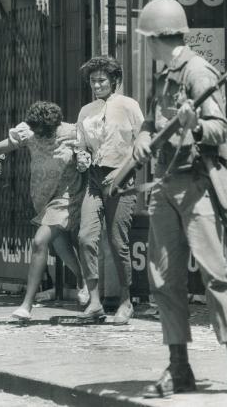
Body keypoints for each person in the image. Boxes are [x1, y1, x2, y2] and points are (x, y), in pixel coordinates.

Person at [133, 0, 227, 397]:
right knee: (164, 279)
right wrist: (141, 138)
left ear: (155, 38)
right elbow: (151, 124)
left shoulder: (198, 71)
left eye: (145, 40)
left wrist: (196, 125)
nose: (145, 47)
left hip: (197, 185)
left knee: (215, 275)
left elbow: (220, 129)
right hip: (165, 186)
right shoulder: (163, 77)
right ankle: (178, 366)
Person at [0, 101, 89, 320]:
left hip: (67, 195)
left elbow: (93, 149)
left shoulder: (72, 132)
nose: (41, 137)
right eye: (37, 133)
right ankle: (83, 278)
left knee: (39, 241)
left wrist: (82, 150)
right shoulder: (28, 132)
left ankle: (26, 304)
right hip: (42, 197)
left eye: (45, 133)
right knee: (60, 243)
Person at [76, 56, 144, 325]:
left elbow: (143, 141)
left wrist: (126, 169)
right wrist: (80, 156)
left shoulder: (129, 106)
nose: (97, 84)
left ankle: (126, 301)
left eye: (102, 79)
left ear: (115, 80)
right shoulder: (85, 111)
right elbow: (81, 145)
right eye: (93, 80)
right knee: (85, 237)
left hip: (121, 177)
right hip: (94, 179)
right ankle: (94, 301)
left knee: (118, 242)